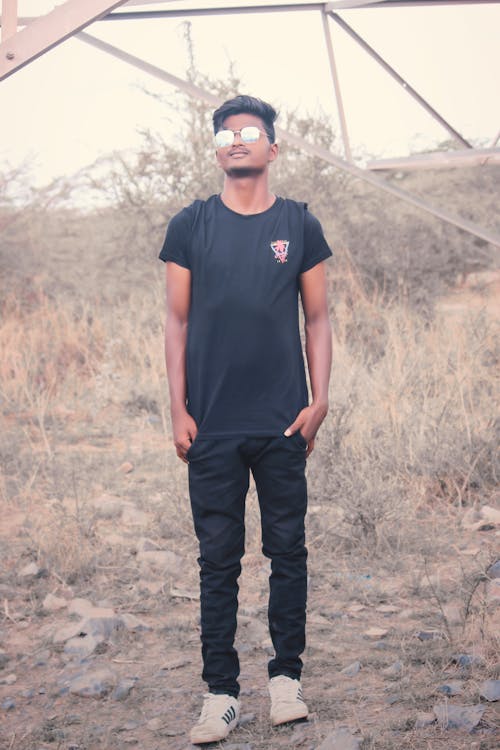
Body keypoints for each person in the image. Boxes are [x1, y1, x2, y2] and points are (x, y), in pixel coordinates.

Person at [160, 95, 332, 745]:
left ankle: (286, 679)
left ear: (272, 149)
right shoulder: (190, 225)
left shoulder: (299, 223)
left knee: (288, 551)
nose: (237, 140)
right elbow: (176, 321)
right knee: (218, 561)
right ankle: (220, 694)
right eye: (226, 133)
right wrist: (177, 407)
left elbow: (317, 317)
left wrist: (320, 400)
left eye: (250, 132)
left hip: (284, 421)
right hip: (211, 425)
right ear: (215, 149)